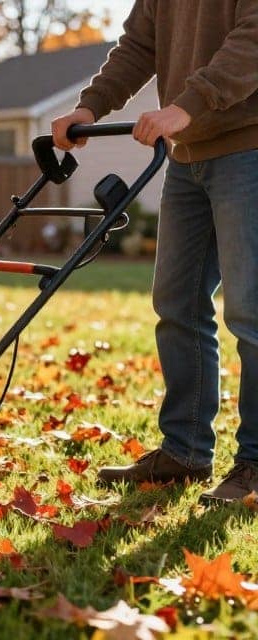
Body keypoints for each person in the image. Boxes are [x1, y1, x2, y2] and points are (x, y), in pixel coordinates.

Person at [51, 0, 258, 503]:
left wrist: (187, 104)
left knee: (251, 314)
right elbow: (139, 45)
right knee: (177, 306)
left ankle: (255, 464)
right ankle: (184, 453)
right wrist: (90, 105)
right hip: (187, 159)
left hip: (248, 150)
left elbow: (252, 39)